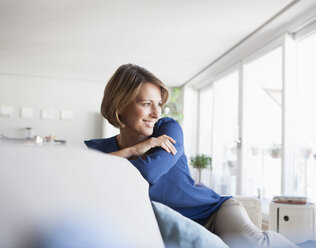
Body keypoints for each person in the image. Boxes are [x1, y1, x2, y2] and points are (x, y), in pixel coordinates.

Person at [85, 64, 298, 248]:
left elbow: (147, 173)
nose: (156, 113)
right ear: (120, 106)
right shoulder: (97, 149)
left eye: (159, 104)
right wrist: (133, 150)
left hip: (212, 212)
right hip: (172, 227)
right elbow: (84, 182)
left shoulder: (168, 129)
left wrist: (114, 161)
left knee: (252, 245)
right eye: (146, 104)